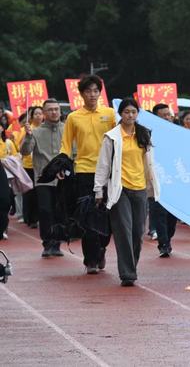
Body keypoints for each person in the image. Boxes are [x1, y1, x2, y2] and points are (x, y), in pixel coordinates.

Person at [94, 98, 159, 286]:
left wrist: (153, 186)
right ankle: (127, 274)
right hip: (119, 189)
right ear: (120, 114)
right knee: (123, 230)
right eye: (126, 112)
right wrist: (98, 189)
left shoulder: (144, 134)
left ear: (137, 114)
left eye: (133, 112)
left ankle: (131, 266)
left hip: (140, 188)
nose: (130, 115)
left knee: (138, 232)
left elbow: (150, 163)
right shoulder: (112, 137)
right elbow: (103, 164)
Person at [60, 75, 116, 274]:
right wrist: (61, 166)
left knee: (107, 217)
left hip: (108, 172)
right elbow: (66, 145)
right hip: (84, 171)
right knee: (88, 216)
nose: (92, 95)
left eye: (95, 91)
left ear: (100, 93)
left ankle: (101, 248)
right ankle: (90, 260)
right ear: (82, 94)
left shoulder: (110, 114)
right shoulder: (73, 117)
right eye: (88, 91)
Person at [20, 99, 65, 257]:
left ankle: (57, 244)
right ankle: (47, 243)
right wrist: (27, 136)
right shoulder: (36, 132)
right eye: (50, 110)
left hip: (63, 179)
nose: (54, 112)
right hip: (43, 179)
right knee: (45, 211)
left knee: (60, 212)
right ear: (44, 113)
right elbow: (25, 151)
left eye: (56, 109)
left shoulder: (67, 129)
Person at [149, 103, 178, 257]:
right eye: (163, 115)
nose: (167, 118)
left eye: (169, 115)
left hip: (174, 181)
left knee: (172, 217)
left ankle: (168, 238)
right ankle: (164, 244)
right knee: (159, 213)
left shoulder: (177, 133)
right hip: (156, 180)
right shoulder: (148, 134)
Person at [16, 106, 44, 229]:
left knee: (40, 193)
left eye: (40, 113)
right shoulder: (26, 129)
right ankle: (30, 218)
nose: (38, 116)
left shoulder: (44, 129)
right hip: (28, 165)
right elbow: (20, 146)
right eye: (36, 114)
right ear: (31, 117)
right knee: (29, 193)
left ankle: (38, 217)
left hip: (41, 166)